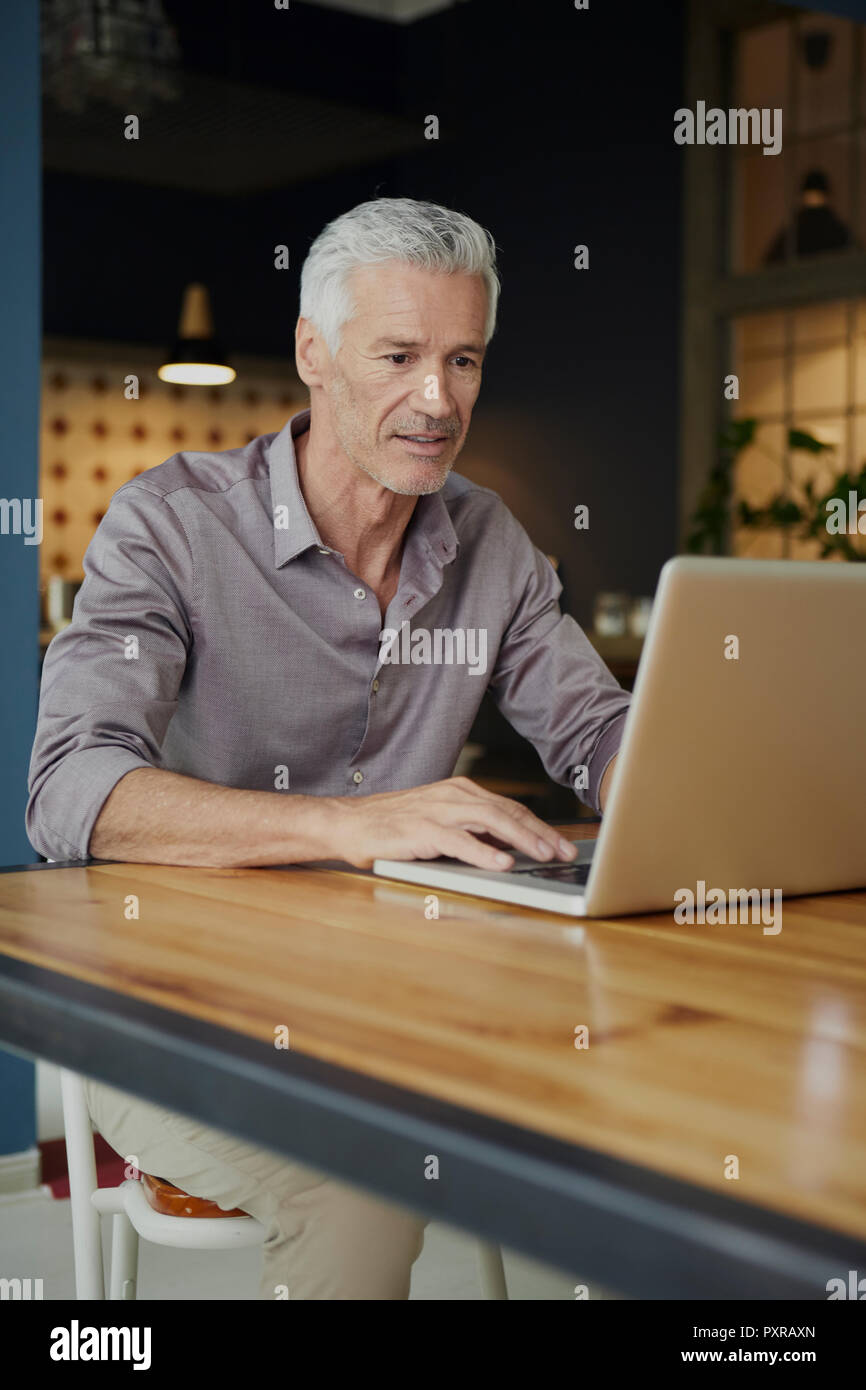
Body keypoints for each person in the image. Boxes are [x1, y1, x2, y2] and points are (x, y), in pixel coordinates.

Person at [26, 197, 631, 1299]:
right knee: (362, 1171)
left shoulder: (491, 542)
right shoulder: (169, 526)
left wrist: (702, 778)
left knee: (658, 1102)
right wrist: (347, 827)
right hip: (173, 1011)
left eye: (463, 359)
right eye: (398, 355)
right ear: (314, 350)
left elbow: (596, 732)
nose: (437, 399)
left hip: (405, 1009)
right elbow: (72, 789)